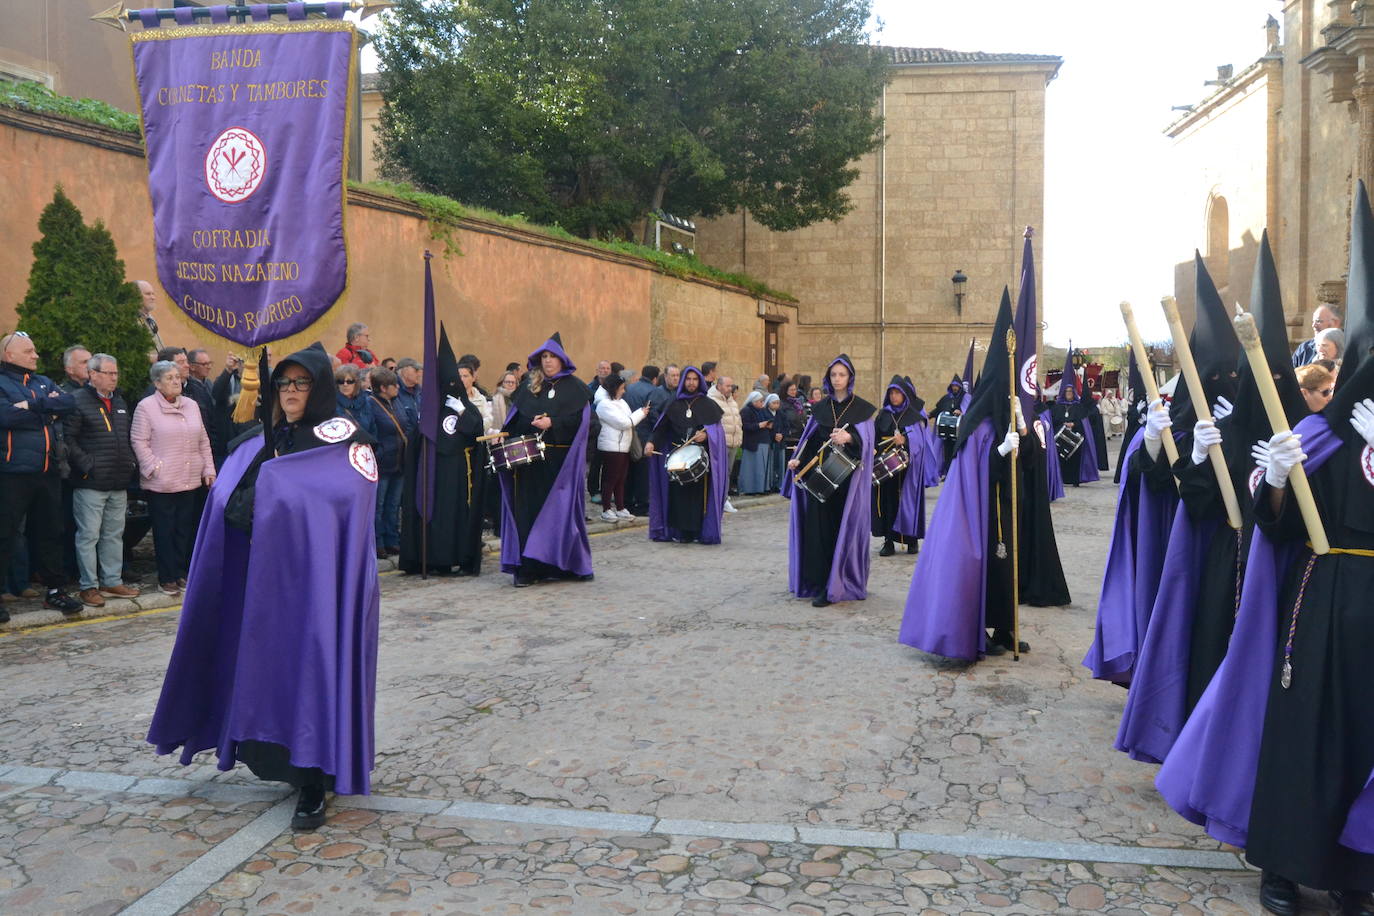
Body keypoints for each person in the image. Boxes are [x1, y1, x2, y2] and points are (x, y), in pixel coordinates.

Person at [147, 342, 380, 832]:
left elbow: (350, 500)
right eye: (285, 384)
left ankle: (314, 780)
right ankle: (276, 756)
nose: (291, 392)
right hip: (263, 587)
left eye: (301, 383)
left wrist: (281, 489)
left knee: (313, 672)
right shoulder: (259, 441)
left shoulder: (344, 439)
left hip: (317, 588)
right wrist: (259, 487)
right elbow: (230, 506)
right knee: (266, 672)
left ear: (317, 388)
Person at [1118, 233, 1305, 766]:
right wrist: (1189, 458)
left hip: (1287, 577)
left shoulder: (1305, 432)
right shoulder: (1223, 428)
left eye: (1277, 377)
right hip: (1227, 569)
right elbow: (1187, 501)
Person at [1087, 253, 1238, 685]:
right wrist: (1155, 443)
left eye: (1233, 375)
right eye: (1215, 376)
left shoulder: (1244, 419)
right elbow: (1146, 482)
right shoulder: (1174, 428)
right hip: (1177, 547)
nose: (1225, 383)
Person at [898, 289, 1069, 660]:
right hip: (982, 509)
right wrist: (999, 452)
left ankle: (1007, 628)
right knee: (990, 567)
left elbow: (1032, 463)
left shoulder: (1013, 416)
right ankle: (981, 629)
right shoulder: (975, 422)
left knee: (1010, 569)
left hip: (1011, 502)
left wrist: (1023, 436)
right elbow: (970, 468)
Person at [495, 332, 593, 587]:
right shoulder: (529, 388)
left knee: (562, 515)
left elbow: (586, 425)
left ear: (563, 360)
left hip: (561, 464)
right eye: (544, 357)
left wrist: (553, 423)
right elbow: (515, 421)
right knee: (530, 514)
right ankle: (529, 568)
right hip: (531, 466)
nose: (548, 361)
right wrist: (503, 436)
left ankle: (568, 565)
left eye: (553, 357)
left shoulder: (577, 389)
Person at [0, 330, 83, 621]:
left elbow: (68, 403)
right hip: (11, 473)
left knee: (51, 533)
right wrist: (46, 411)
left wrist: (33, 405)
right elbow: (5, 416)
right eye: (29, 351)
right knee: (5, 534)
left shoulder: (43, 382)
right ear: (9, 355)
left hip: (47, 471)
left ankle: (55, 591)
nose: (36, 355)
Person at [783, 355, 875, 608]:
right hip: (820, 482)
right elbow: (810, 442)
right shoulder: (821, 408)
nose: (837, 379)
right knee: (818, 532)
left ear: (850, 378)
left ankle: (838, 583)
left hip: (846, 484)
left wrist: (850, 438)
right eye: (833, 375)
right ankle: (820, 581)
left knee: (839, 531)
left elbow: (868, 444)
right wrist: (798, 462)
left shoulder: (863, 410)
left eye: (842, 375)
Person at [401, 333, 486, 576]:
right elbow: (417, 441)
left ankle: (455, 557)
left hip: (457, 473)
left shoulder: (463, 406)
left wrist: (462, 414)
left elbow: (475, 432)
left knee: (453, 517)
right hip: (431, 471)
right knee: (431, 514)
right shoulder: (429, 407)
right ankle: (430, 558)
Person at [131, 360, 215, 597]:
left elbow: (203, 440)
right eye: (169, 378)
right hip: (162, 482)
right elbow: (139, 441)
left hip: (189, 477)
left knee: (185, 529)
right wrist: (155, 467)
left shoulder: (191, 404)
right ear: (157, 383)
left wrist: (208, 469)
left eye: (177, 377)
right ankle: (166, 576)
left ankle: (182, 572)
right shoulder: (146, 407)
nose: (176, 381)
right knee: (164, 530)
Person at [65, 353, 139, 608]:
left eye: (115, 373)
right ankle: (89, 586)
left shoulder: (119, 401)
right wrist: (87, 465)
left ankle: (111, 581)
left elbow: (126, 436)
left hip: (118, 481)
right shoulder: (77, 401)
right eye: (108, 373)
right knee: (88, 536)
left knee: (114, 535)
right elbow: (68, 440)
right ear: (92, 374)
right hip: (90, 483)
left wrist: (130, 462)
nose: (113, 378)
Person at [645, 366, 728, 544]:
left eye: (694, 379)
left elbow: (718, 433)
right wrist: (651, 442)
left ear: (700, 381)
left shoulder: (708, 404)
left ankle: (697, 531)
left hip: (699, 461)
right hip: (677, 458)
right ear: (684, 381)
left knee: (697, 497)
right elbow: (661, 428)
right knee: (677, 496)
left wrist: (707, 435)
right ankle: (679, 531)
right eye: (688, 379)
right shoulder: (673, 402)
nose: (691, 382)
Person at [872, 375, 929, 556]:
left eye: (898, 393)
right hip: (886, 467)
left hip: (906, 469)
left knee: (907, 502)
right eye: (892, 393)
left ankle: (911, 540)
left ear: (904, 395)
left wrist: (905, 440)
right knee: (888, 503)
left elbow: (920, 441)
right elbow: (874, 437)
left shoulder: (913, 415)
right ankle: (889, 541)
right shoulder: (883, 415)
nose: (894, 397)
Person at [367, 367, 410, 558]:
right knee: (379, 505)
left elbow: (405, 424)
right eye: (394, 385)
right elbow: (374, 431)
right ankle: (378, 542)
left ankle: (392, 540)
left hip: (399, 461)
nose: (398, 388)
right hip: (383, 462)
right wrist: (381, 453)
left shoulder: (396, 402)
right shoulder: (372, 404)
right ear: (384, 387)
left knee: (393, 504)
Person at [594, 374, 648, 521]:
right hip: (611, 447)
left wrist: (637, 415)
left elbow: (629, 420)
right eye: (622, 388)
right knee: (609, 479)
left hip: (623, 446)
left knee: (621, 479)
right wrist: (641, 413)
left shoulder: (621, 402)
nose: (624, 391)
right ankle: (606, 509)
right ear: (614, 388)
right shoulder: (604, 404)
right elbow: (624, 423)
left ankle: (620, 507)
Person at [709, 374, 742, 512]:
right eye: (728, 386)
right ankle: (718, 499)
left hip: (733, 442)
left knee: (727, 473)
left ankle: (725, 498)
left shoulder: (732, 401)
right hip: (721, 443)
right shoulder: (712, 400)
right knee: (719, 473)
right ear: (719, 385)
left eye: (731, 386)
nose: (730, 388)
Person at [737, 390, 773, 495]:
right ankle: (750, 489)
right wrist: (759, 425)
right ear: (754, 401)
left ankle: (761, 488)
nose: (762, 403)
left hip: (763, 441)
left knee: (761, 468)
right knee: (751, 468)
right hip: (753, 443)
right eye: (760, 401)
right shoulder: (746, 411)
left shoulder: (762, 410)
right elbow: (745, 426)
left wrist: (768, 425)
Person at [775, 382, 808, 489]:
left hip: (800, 435)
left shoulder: (797, 403)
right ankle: (787, 484)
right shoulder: (783, 404)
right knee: (788, 462)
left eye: (795, 389)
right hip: (789, 436)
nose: (794, 392)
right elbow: (782, 420)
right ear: (786, 391)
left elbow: (802, 417)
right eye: (791, 390)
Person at [334, 364, 378, 442]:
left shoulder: (365, 402)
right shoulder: (332, 405)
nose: (345, 384)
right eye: (340, 381)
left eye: (349, 381)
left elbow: (373, 429)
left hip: (363, 450)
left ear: (356, 383)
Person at [932, 376, 967, 475]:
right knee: (947, 453)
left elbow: (969, 410)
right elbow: (938, 409)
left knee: (956, 453)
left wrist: (961, 412)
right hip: (947, 432)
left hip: (959, 433)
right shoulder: (946, 398)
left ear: (960, 387)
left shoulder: (965, 397)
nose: (954, 388)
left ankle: (956, 474)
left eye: (956, 386)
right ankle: (947, 473)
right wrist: (929, 415)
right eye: (953, 386)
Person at [136, 280, 166, 351]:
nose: (153, 297)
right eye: (148, 294)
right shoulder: (130, 319)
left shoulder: (150, 318)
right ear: (136, 296)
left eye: (153, 294)